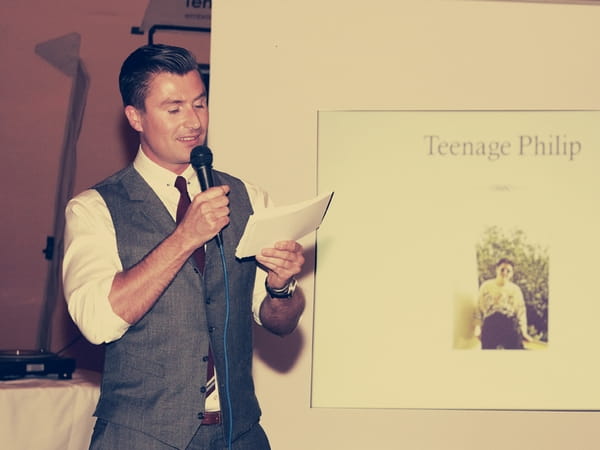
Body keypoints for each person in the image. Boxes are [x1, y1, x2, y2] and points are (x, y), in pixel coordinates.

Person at [62, 44, 306, 450]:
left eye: (200, 104)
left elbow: (280, 322)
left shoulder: (249, 197)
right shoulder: (93, 209)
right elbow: (96, 322)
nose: (193, 122)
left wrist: (282, 287)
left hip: (238, 433)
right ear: (135, 117)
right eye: (173, 109)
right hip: (141, 436)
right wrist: (185, 236)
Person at [474, 258, 533, 349]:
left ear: (511, 274)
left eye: (508, 271)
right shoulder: (486, 286)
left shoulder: (515, 290)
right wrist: (478, 328)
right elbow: (478, 308)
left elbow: (521, 312)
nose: (505, 272)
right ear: (497, 269)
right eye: (502, 269)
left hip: (509, 325)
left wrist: (523, 332)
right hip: (490, 326)